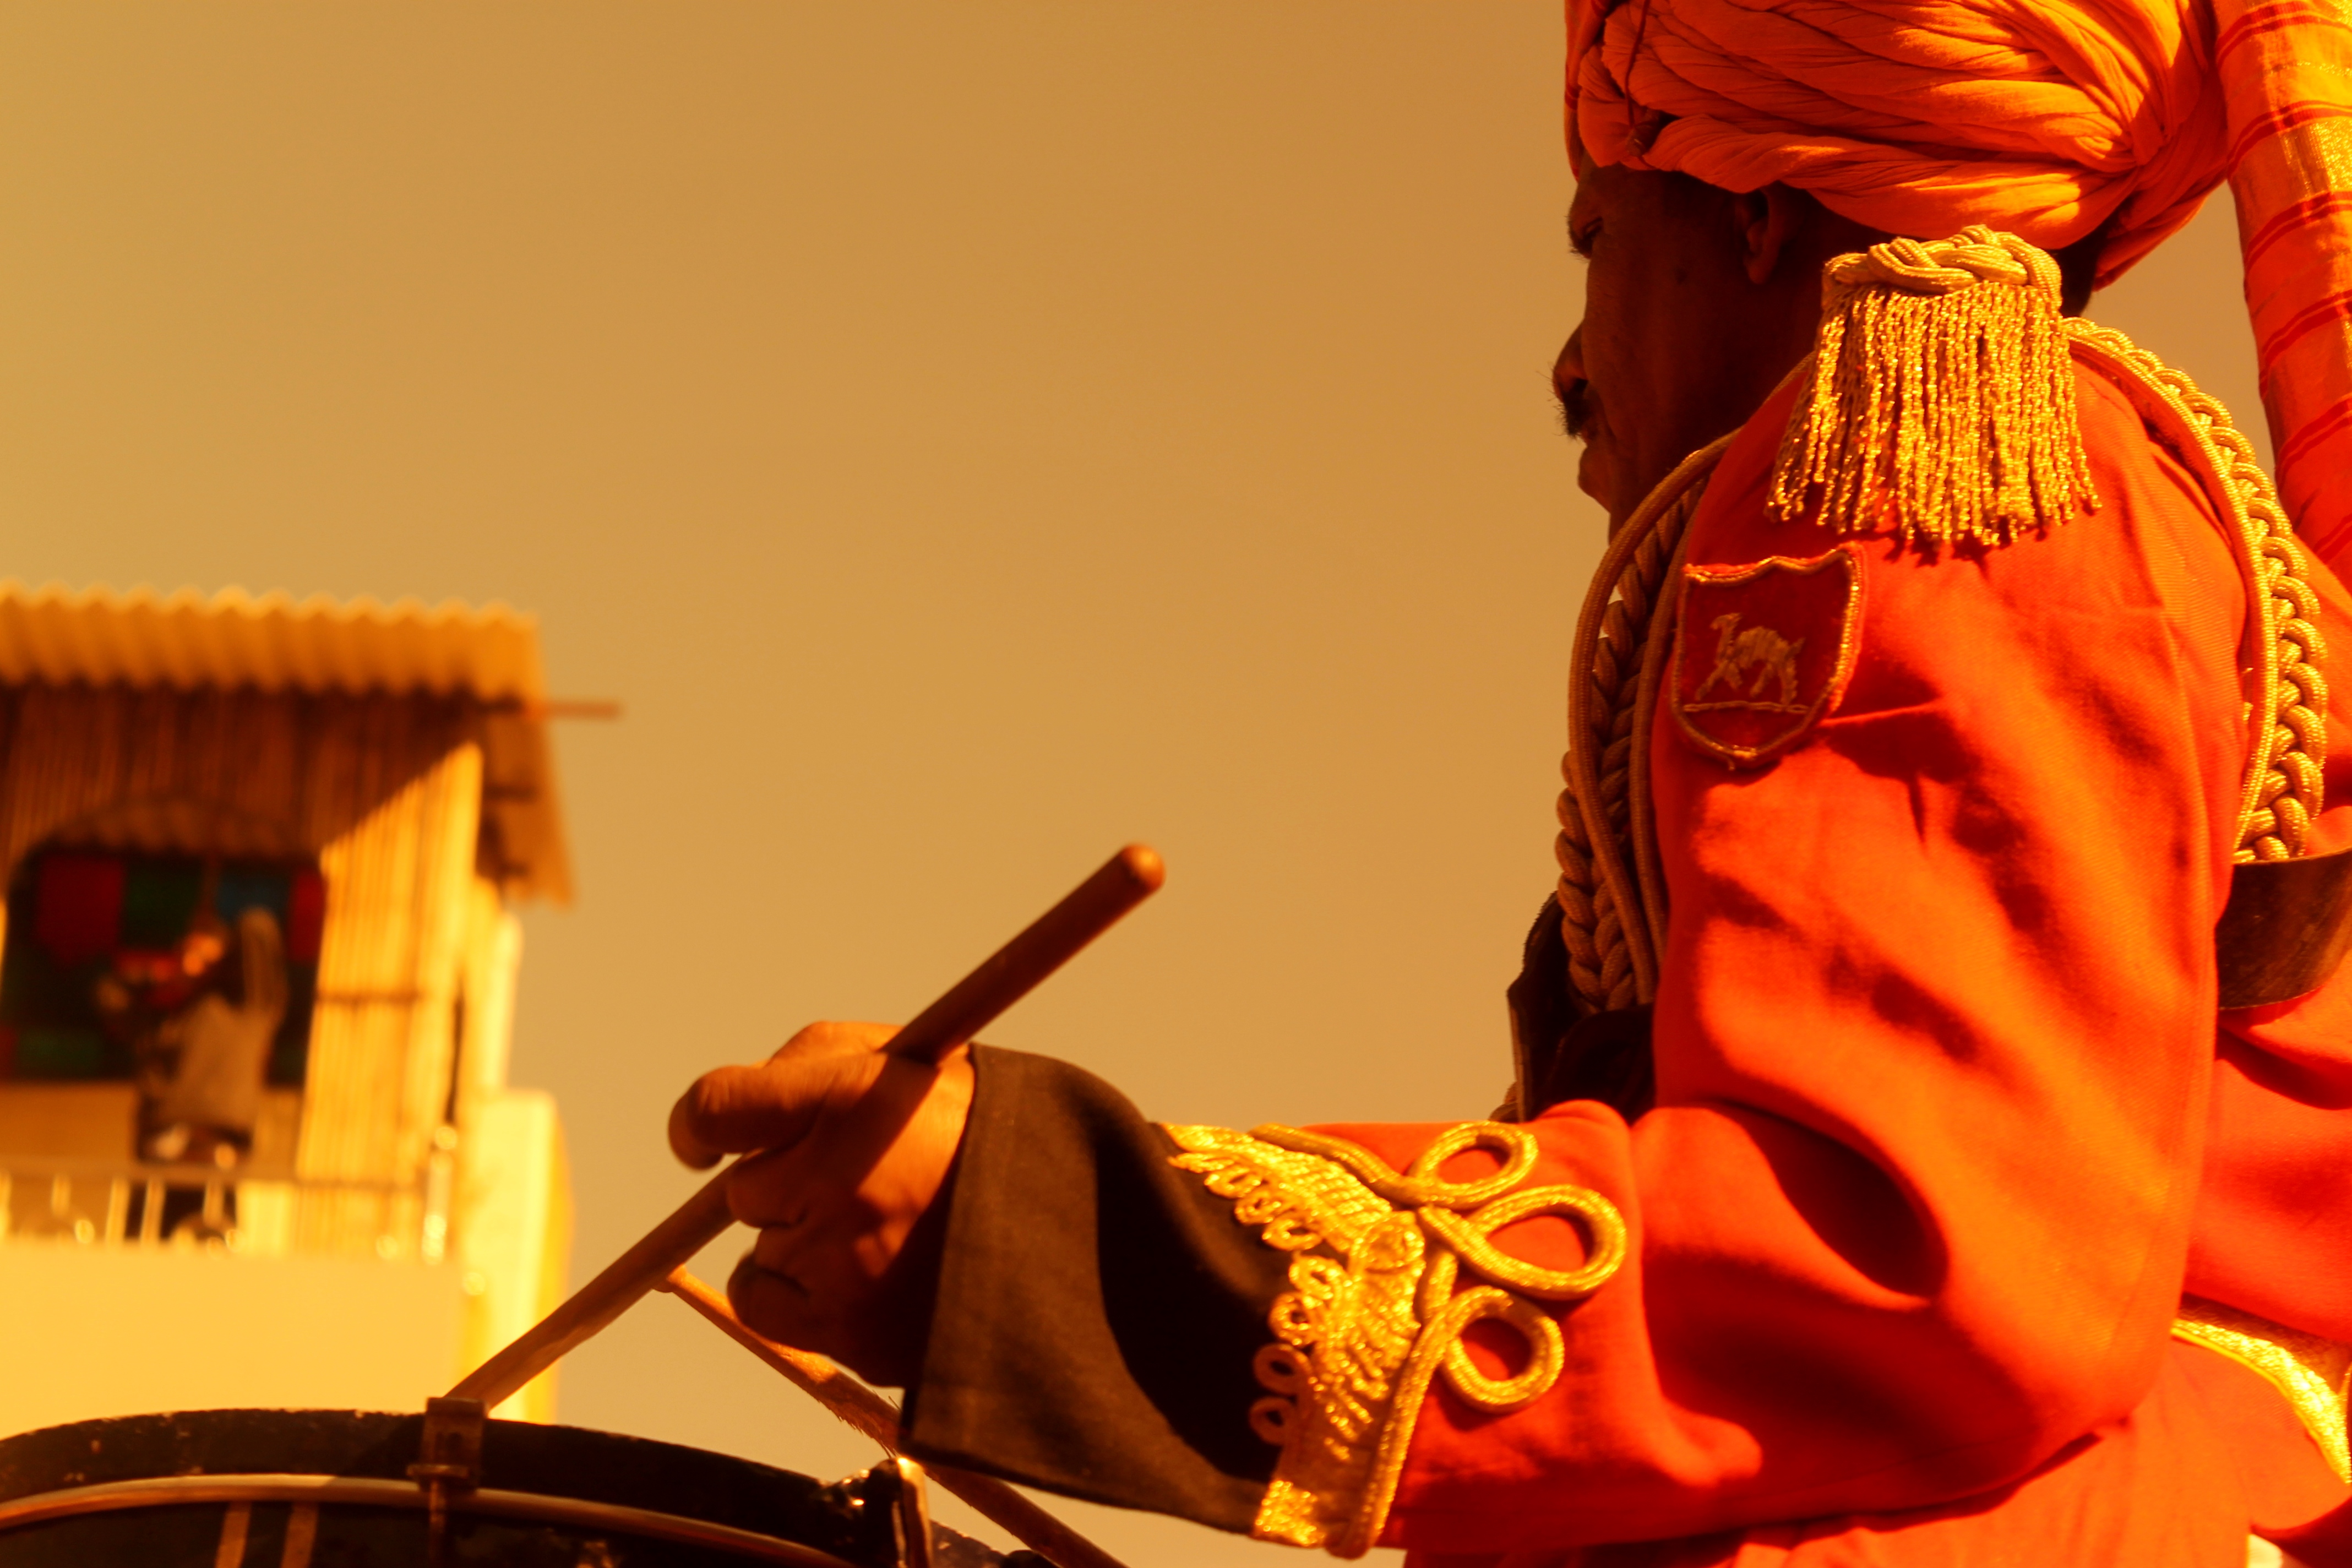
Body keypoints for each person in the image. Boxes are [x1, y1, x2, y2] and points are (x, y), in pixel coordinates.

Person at [667, 1, 2352, 1561]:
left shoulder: (1936, 457)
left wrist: (1016, 1217)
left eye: (1592, 241)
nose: (1563, 362)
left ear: (1754, 216)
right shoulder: (2063, 487)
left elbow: (1911, 1254)